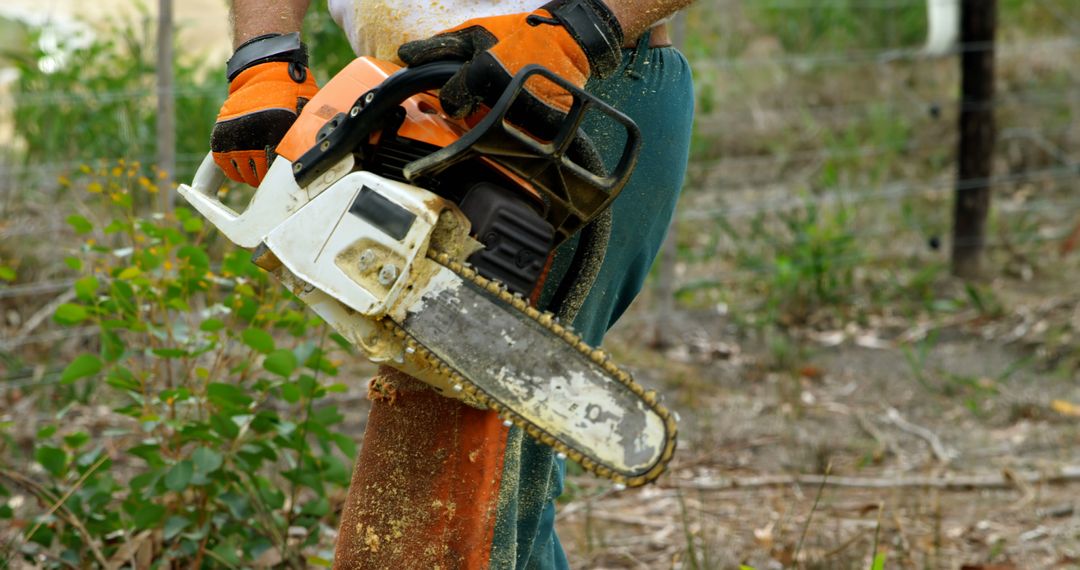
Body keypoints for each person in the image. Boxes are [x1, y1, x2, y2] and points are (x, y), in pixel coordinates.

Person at [210, 0, 694, 567]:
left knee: (431, 521)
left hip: (562, 86)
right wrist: (264, 57)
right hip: (415, 104)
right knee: (490, 510)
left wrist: (580, 29)